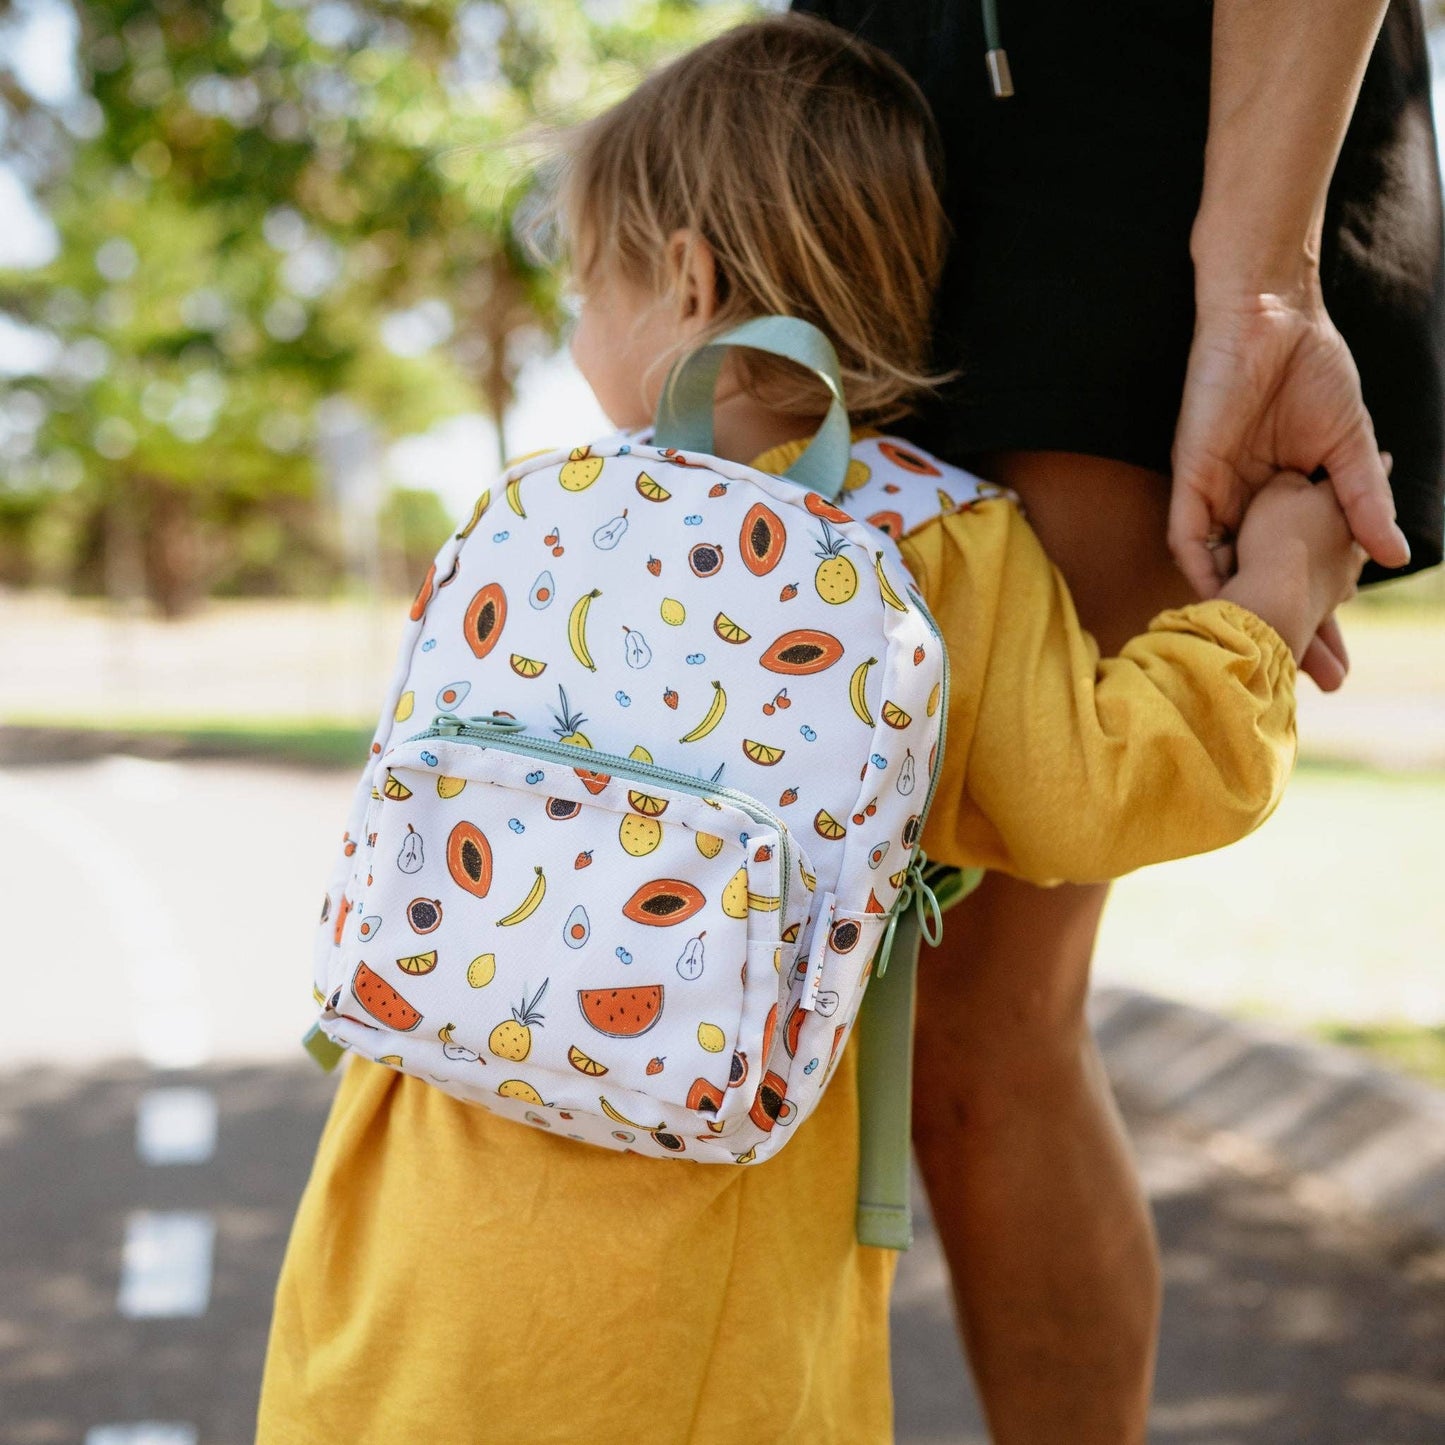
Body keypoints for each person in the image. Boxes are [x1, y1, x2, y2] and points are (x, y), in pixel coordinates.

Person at [256, 15, 1370, 1441]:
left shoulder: (540, 516)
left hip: (400, 1258)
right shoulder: (931, 546)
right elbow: (1104, 788)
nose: (571, 325)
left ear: (685, 278)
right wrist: (1270, 597)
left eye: (585, 280)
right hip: (680, 1316)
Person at [793, 1, 1445, 1438]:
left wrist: (1262, 285)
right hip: (888, 142)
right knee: (903, 1020)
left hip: (1111, 143)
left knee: (977, 1019)